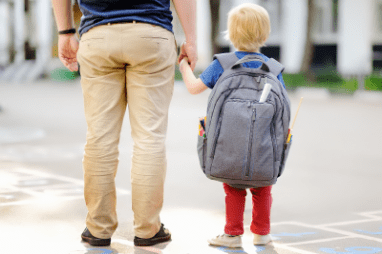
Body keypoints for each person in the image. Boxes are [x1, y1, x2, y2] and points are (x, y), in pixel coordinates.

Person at [51, 0, 197, 247]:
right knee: (149, 137)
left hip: (98, 36)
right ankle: (148, 229)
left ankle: (98, 228)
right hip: (151, 35)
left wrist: (65, 31)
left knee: (99, 137)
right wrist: (191, 39)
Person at [179, 3, 286, 247]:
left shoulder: (222, 64)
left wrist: (184, 66)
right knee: (263, 188)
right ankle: (262, 233)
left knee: (234, 188)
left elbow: (194, 88)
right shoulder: (273, 68)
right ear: (265, 35)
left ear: (231, 33)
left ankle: (233, 234)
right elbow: (282, 108)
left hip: (230, 143)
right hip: (263, 146)